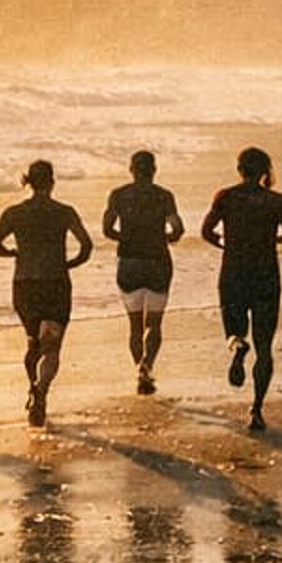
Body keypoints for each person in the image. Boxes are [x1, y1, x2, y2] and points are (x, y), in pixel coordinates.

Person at [200, 146, 282, 431]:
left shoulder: (225, 197)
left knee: (234, 330)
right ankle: (256, 410)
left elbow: (206, 231)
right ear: (264, 171)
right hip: (266, 274)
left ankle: (237, 345)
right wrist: (274, 241)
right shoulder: (275, 200)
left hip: (233, 272)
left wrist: (225, 243)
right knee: (265, 346)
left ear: (240, 169)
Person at [0, 160, 93, 426]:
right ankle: (42, 388)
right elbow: (86, 246)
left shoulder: (14, 212)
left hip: (25, 283)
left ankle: (32, 387)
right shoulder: (64, 212)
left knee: (33, 342)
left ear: (29, 182)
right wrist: (70, 263)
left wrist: (12, 253)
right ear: (52, 182)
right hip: (56, 282)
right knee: (53, 345)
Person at [101, 149, 186, 392]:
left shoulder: (118, 195)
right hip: (158, 260)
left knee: (135, 326)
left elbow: (106, 229)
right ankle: (147, 365)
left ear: (131, 169)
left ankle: (140, 368)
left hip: (129, 261)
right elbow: (177, 227)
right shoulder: (164, 196)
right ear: (154, 170)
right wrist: (165, 238)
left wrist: (126, 237)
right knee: (155, 324)